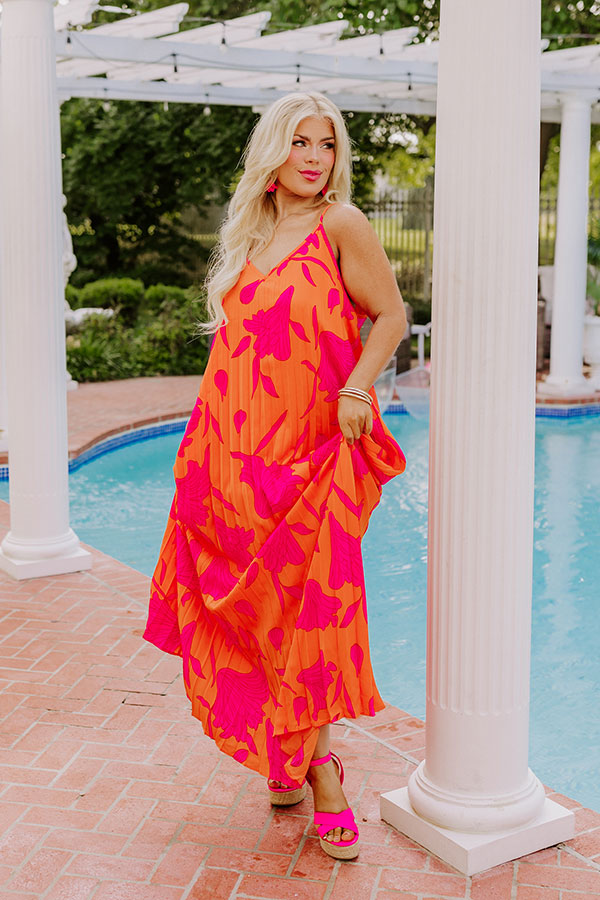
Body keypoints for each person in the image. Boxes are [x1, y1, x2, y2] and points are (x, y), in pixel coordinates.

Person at [143, 91, 407, 861]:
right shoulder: (251, 231)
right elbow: (232, 353)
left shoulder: (341, 224)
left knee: (310, 620)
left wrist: (357, 387)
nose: (315, 158)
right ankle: (291, 753)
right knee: (255, 615)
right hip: (229, 459)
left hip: (310, 461)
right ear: (273, 150)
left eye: (327, 144)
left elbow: (391, 315)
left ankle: (322, 771)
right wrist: (199, 451)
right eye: (300, 142)